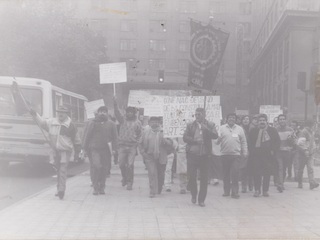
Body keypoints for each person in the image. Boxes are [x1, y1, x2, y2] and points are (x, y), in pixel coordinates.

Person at [29, 105, 81, 200]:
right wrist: (35, 114)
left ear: (66, 114)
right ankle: (59, 188)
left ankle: (61, 190)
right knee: (58, 169)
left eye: (63, 112)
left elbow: (77, 140)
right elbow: (42, 123)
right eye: (59, 112)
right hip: (54, 151)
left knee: (62, 170)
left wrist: (77, 153)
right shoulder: (51, 122)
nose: (60, 114)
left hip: (65, 151)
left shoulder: (71, 125)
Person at [183, 108, 219, 207]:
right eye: (196, 114)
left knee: (204, 178)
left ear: (204, 115)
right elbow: (185, 138)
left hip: (205, 155)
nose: (197, 116)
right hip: (192, 155)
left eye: (199, 114)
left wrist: (206, 129)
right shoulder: (190, 125)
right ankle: (193, 194)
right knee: (191, 176)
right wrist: (195, 141)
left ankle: (201, 199)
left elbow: (215, 135)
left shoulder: (210, 124)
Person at [81, 106, 118, 195]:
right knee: (96, 166)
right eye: (101, 111)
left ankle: (102, 186)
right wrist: (84, 148)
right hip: (94, 149)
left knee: (104, 168)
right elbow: (87, 136)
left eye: (104, 111)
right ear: (97, 113)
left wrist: (115, 149)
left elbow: (115, 137)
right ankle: (95, 186)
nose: (102, 113)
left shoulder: (111, 124)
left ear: (107, 113)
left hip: (106, 150)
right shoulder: (92, 123)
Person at [139, 117, 175, 198]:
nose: (154, 123)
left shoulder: (163, 132)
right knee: (152, 173)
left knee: (161, 174)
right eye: (152, 122)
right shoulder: (146, 132)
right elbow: (140, 143)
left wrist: (165, 141)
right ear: (149, 123)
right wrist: (143, 153)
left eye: (156, 122)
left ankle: (159, 187)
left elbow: (171, 143)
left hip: (161, 156)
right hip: (149, 156)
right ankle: (152, 191)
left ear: (159, 123)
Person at [248, 114, 280, 197]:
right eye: (260, 120)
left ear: (267, 121)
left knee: (267, 173)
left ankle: (265, 190)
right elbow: (250, 143)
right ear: (258, 122)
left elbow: (277, 142)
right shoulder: (253, 131)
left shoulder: (272, 130)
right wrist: (252, 152)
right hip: (256, 155)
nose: (262, 122)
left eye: (263, 120)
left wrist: (273, 150)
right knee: (256, 172)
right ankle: (257, 190)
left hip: (268, 155)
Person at [113, 97, 142, 190]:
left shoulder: (138, 123)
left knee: (130, 165)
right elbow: (117, 113)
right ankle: (124, 177)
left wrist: (137, 143)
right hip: (122, 146)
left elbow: (140, 134)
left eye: (131, 112)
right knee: (121, 164)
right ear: (126, 112)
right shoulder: (122, 120)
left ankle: (130, 182)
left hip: (132, 147)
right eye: (128, 112)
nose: (129, 113)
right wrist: (115, 104)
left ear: (134, 113)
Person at [218, 113, 248, 199]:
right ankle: (226, 191)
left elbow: (243, 142)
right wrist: (218, 139)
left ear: (236, 119)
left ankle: (235, 192)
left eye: (233, 118)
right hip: (224, 154)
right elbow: (216, 142)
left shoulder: (240, 129)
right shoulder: (221, 128)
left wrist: (245, 152)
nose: (231, 119)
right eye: (230, 118)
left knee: (235, 173)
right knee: (225, 174)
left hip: (236, 155)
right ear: (226, 119)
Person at [296, 121, 319, 190]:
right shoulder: (304, 132)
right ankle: (300, 182)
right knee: (300, 169)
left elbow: (312, 142)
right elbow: (301, 143)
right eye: (314, 125)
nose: (315, 126)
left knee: (310, 168)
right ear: (310, 125)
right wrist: (305, 150)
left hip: (310, 153)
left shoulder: (311, 132)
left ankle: (312, 183)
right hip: (303, 154)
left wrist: (313, 149)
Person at [275, 114, 294, 192]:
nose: (282, 120)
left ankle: (281, 182)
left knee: (284, 169)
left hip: (287, 152)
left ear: (285, 120)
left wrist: (291, 140)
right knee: (280, 167)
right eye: (280, 119)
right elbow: (273, 141)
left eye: (283, 119)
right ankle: (280, 184)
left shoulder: (290, 130)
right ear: (278, 121)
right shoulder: (275, 130)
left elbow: (294, 142)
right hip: (278, 152)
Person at [240, 115, 253, 193]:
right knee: (243, 168)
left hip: (252, 150)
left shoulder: (252, 128)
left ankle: (251, 184)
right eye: (244, 119)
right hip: (242, 150)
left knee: (251, 168)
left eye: (247, 119)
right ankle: (244, 185)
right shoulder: (239, 129)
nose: (246, 120)